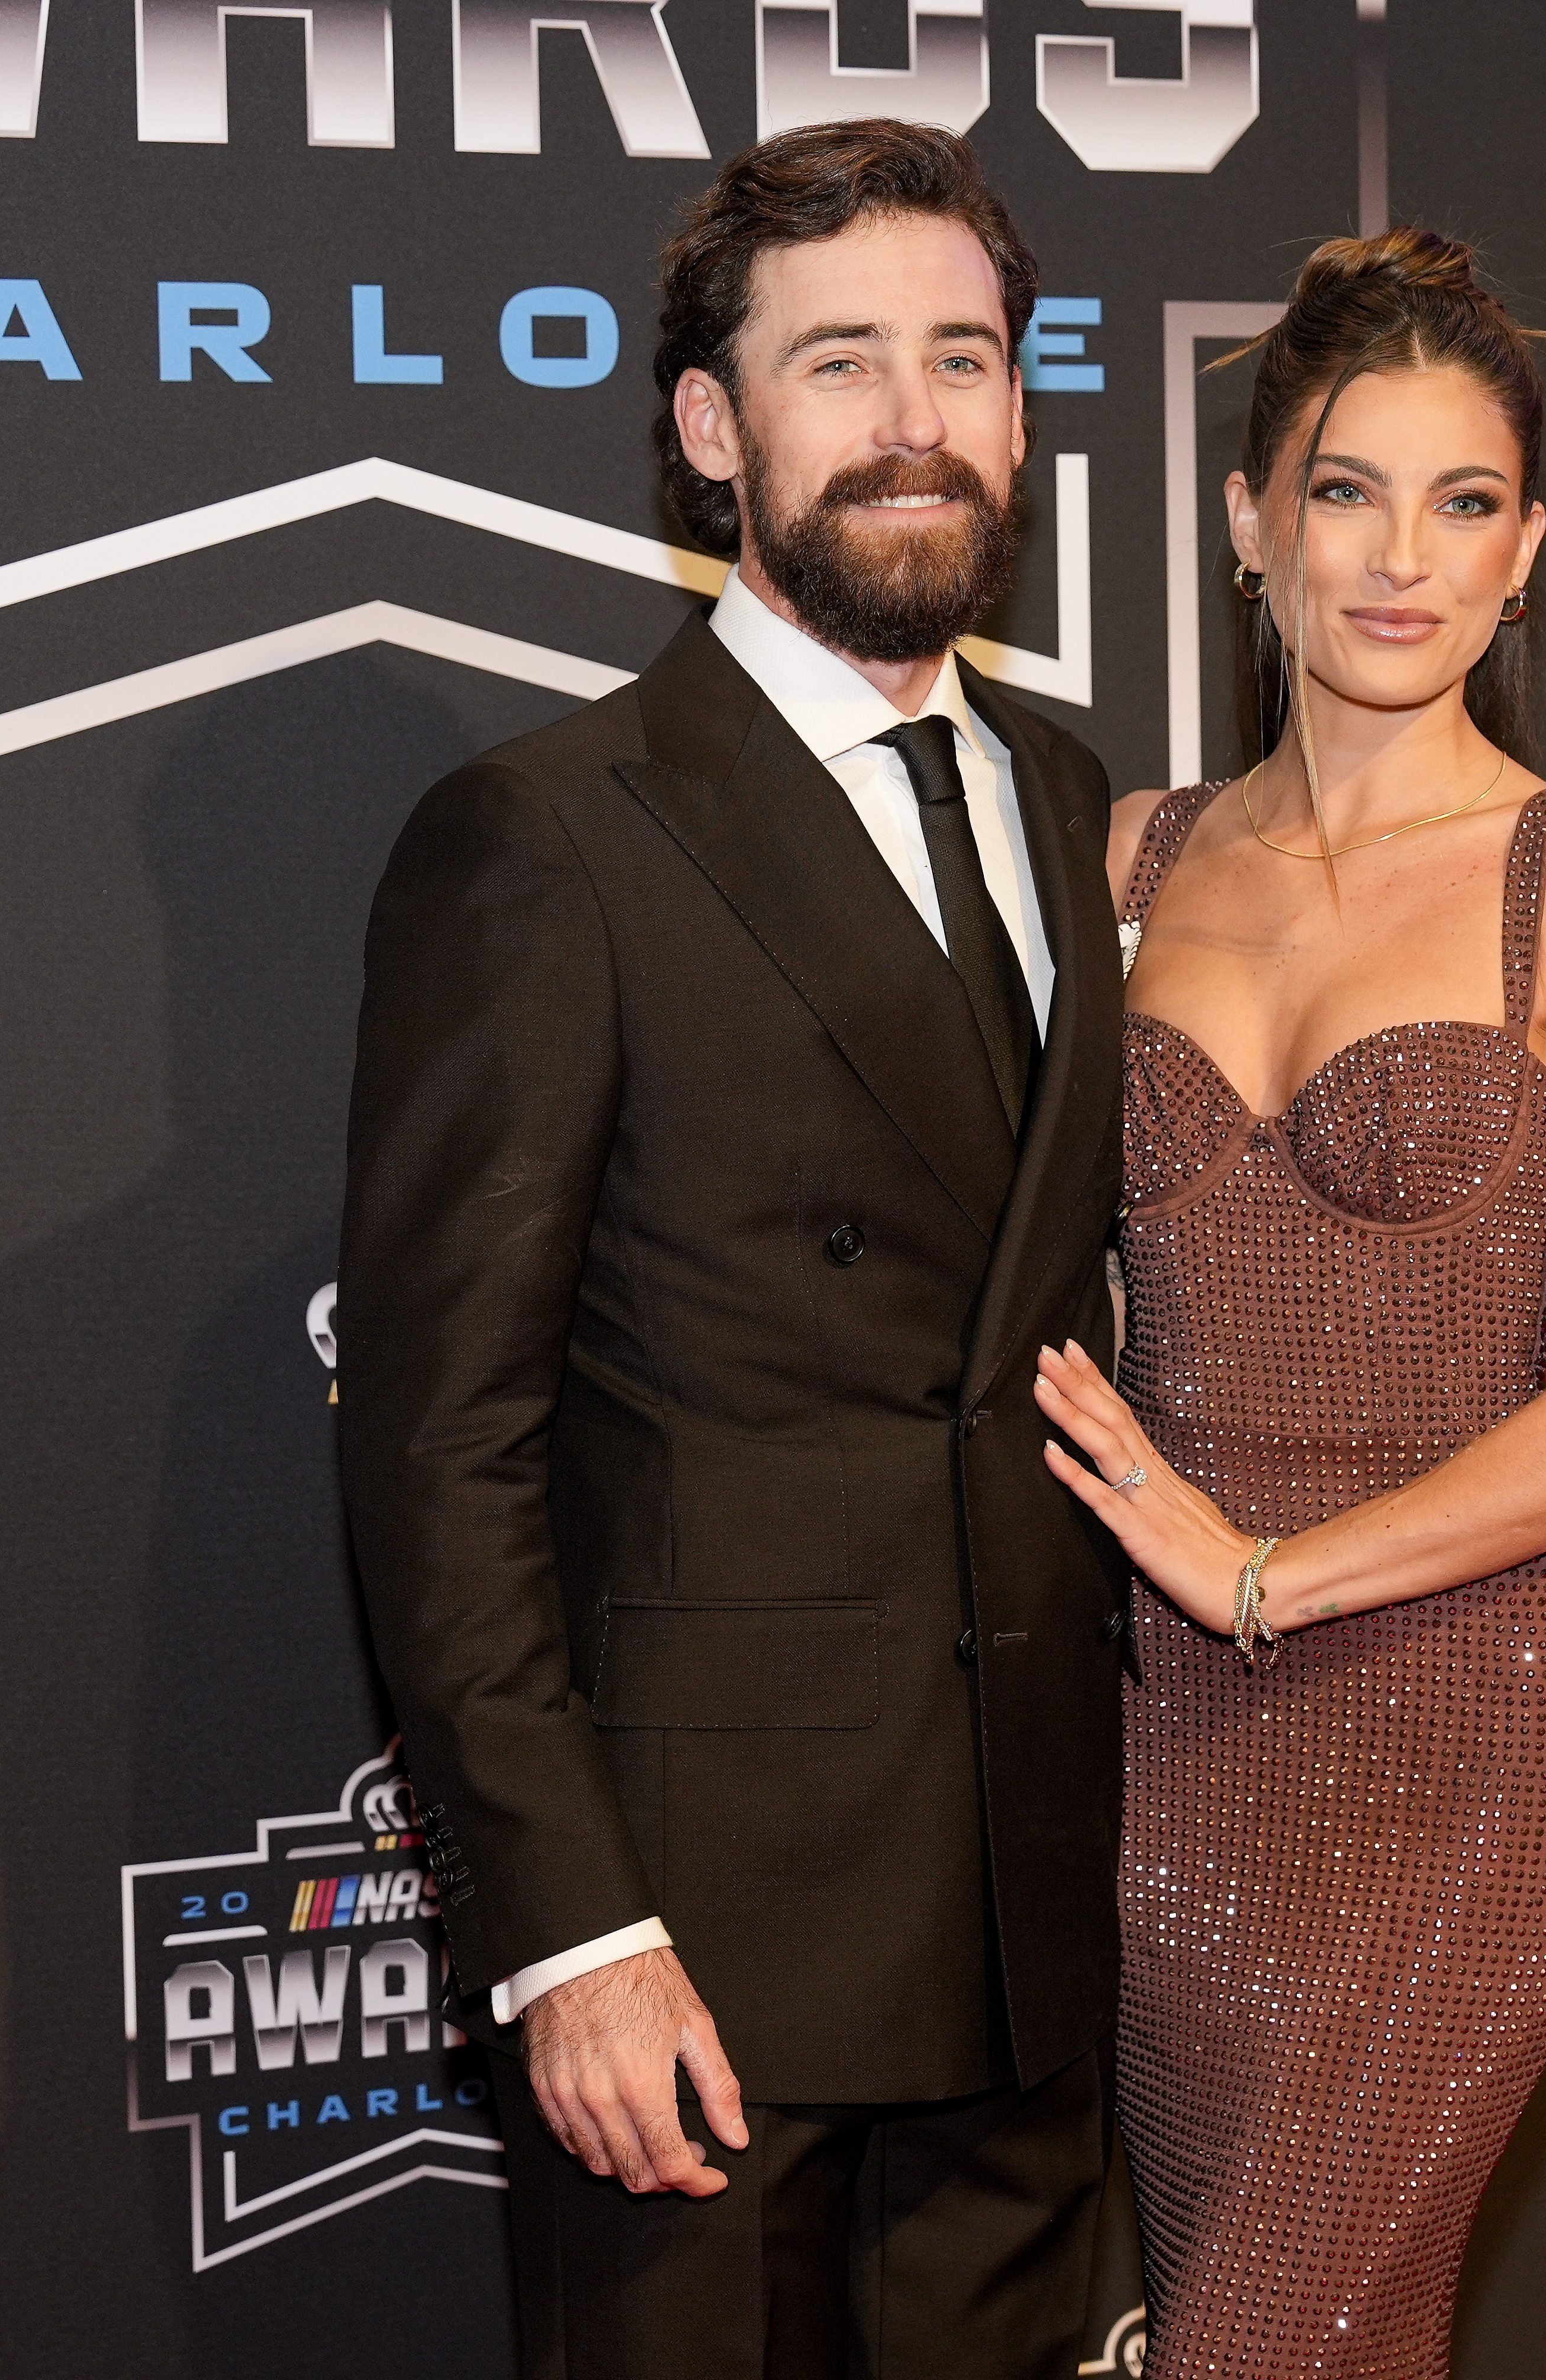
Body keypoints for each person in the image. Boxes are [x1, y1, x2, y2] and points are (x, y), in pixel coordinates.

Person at [337, 122, 1126, 2380]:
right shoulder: (548, 839)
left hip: (1020, 1932)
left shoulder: (1071, 804)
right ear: (714, 429)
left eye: (963, 360)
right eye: (841, 362)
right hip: (703, 1971)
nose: (914, 422)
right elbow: (438, 1445)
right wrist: (571, 1929)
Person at [1027, 227, 1546, 2375]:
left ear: (1528, 555)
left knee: (1258, 2339)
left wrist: (1271, 1575)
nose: (1400, 562)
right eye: (1347, 493)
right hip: (1172, 1753)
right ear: (1248, 524)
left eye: (1463, 506)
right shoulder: (1125, 864)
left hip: (1475, 1733)